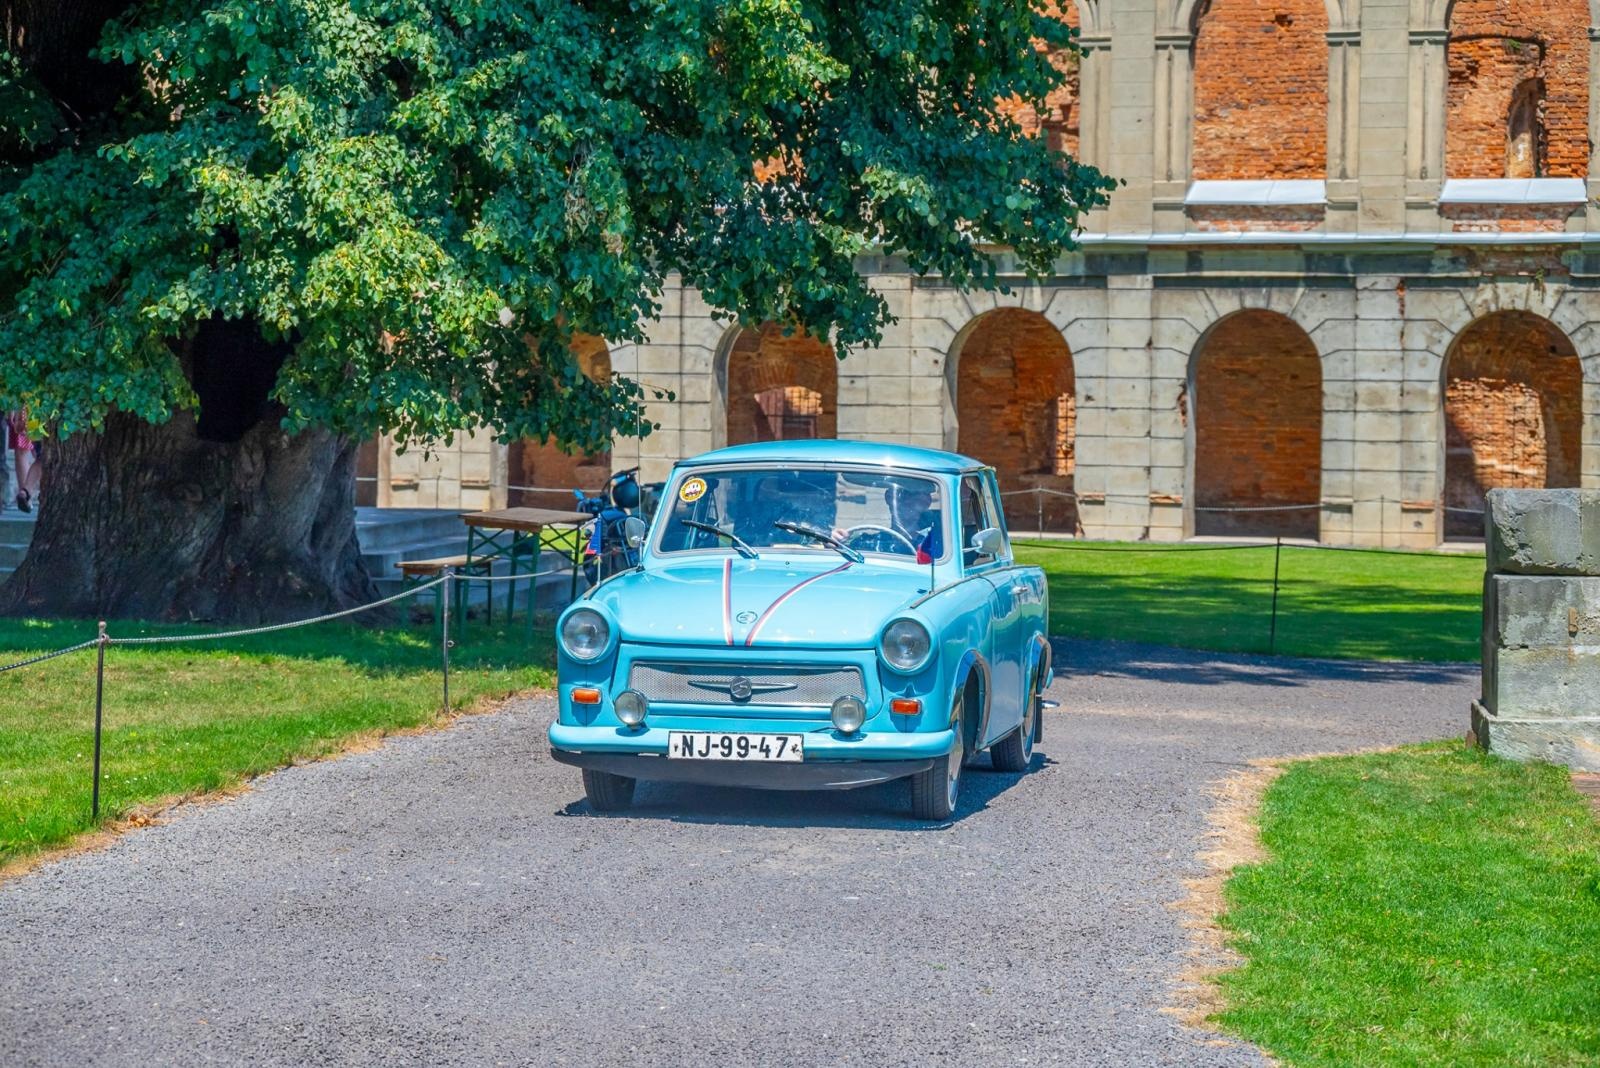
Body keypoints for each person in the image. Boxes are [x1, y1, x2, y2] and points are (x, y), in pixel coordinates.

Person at [9, 410, 39, 513]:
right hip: (35, 408)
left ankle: (25, 494)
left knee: (22, 452)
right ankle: (27, 493)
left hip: (24, 408)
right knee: (41, 456)